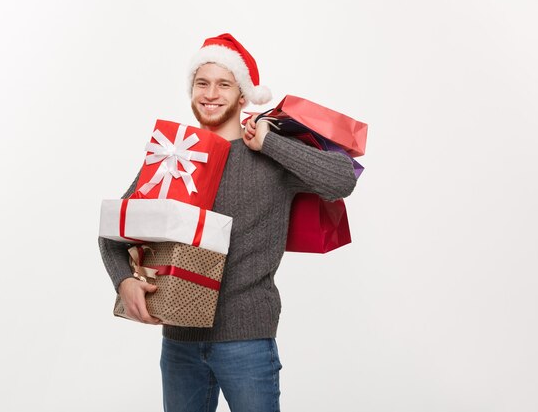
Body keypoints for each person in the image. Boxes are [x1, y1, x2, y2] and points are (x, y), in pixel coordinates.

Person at [99, 33, 357, 412]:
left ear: (243, 95)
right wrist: (123, 280)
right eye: (202, 83)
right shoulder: (174, 156)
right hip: (179, 341)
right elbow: (113, 232)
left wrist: (270, 143)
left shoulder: (270, 154)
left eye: (224, 84)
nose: (211, 93)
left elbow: (342, 179)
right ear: (191, 91)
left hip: (247, 339)